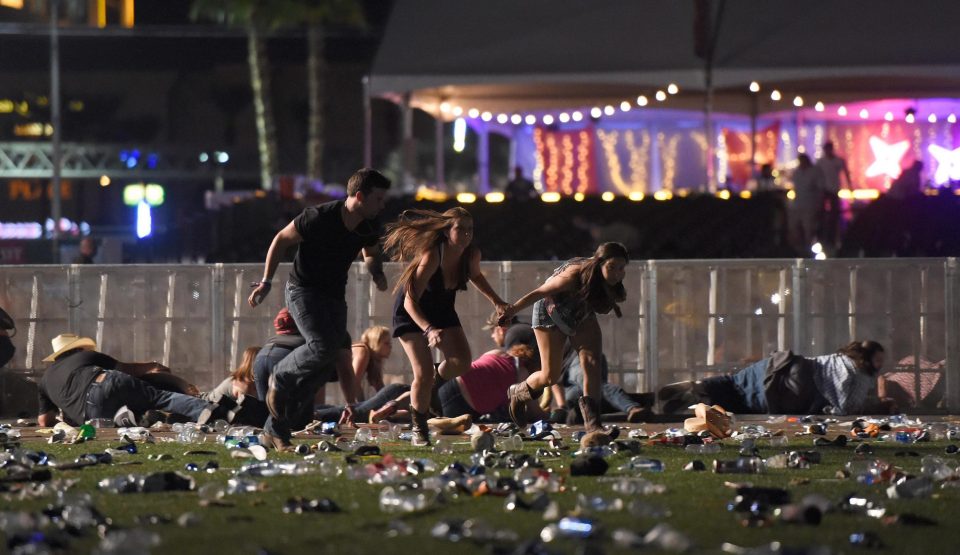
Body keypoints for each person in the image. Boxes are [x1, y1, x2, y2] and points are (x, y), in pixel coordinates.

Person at [248, 168, 391, 451]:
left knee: (329, 361)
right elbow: (280, 240)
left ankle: (275, 431)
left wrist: (377, 272)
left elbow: (371, 252)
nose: (382, 205)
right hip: (303, 291)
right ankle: (280, 375)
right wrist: (266, 281)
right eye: (377, 199)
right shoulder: (318, 217)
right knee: (322, 346)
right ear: (359, 196)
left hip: (334, 297)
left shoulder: (369, 224)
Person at [384, 207, 508, 445]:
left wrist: (498, 302)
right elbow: (410, 302)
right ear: (447, 231)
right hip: (413, 313)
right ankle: (420, 427)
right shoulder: (433, 255)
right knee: (422, 372)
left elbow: (476, 276)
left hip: (442, 310)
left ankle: (433, 385)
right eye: (460, 229)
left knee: (462, 362)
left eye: (470, 229)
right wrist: (429, 330)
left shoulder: (471, 254)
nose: (466, 234)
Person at [499, 242, 629, 443]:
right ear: (598, 263)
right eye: (612, 267)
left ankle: (593, 425)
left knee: (592, 363)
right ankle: (518, 392)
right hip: (550, 313)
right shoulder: (573, 276)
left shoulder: (609, 282)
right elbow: (539, 292)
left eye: (621, 268)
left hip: (580, 315)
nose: (617, 274)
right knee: (550, 376)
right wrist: (511, 311)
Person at [37, 333, 234, 428]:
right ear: (76, 349)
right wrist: (152, 365)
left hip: (93, 415)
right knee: (161, 398)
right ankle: (208, 410)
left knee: (118, 422)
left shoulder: (45, 380)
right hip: (107, 381)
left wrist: (66, 416)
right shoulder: (84, 357)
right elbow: (127, 369)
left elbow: (44, 421)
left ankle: (130, 418)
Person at [657, 340, 893, 416]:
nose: (880, 365)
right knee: (740, 404)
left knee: (734, 382)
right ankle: (697, 405)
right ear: (867, 358)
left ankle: (696, 387)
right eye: (878, 359)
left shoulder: (839, 357)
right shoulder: (861, 373)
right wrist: (879, 405)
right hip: (795, 391)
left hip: (781, 363)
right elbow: (848, 406)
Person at [437, 341, 546, 422]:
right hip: (465, 404)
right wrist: (551, 417)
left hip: (451, 385)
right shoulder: (524, 377)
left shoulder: (497, 353)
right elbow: (535, 412)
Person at [555, 344, 650, 423]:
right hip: (570, 378)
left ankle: (632, 407)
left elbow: (552, 380)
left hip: (579, 358)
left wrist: (561, 407)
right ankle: (644, 400)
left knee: (597, 386)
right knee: (577, 403)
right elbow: (555, 382)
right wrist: (563, 407)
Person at [815, 142, 853, 248]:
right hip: (824, 190)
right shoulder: (821, 162)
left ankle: (831, 238)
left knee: (834, 215)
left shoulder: (838, 161)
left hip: (834, 190)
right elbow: (816, 175)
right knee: (822, 215)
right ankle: (822, 236)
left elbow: (846, 173)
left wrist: (850, 187)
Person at [792, 153, 826, 251]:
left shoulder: (815, 172)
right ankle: (797, 248)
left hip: (810, 205)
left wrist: (819, 204)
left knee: (809, 228)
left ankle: (808, 249)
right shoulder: (797, 172)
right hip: (798, 204)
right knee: (795, 227)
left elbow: (820, 189)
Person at [352, 325, 392, 400]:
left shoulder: (375, 359)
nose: (390, 346)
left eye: (390, 343)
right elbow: (354, 382)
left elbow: (380, 389)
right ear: (376, 343)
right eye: (386, 343)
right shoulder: (363, 351)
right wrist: (362, 407)